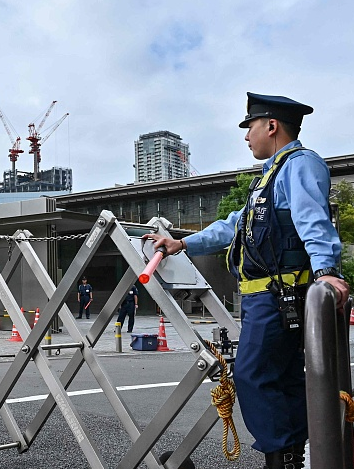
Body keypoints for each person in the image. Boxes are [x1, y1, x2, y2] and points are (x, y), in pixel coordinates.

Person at [143, 92, 349, 469]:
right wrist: (181, 242)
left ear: (271, 126)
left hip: (279, 296)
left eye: (250, 126)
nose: (246, 136)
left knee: (253, 373)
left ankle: (284, 457)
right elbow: (231, 225)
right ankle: (301, 452)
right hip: (266, 299)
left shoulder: (299, 165)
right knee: (283, 377)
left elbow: (312, 221)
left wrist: (326, 272)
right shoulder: (270, 176)